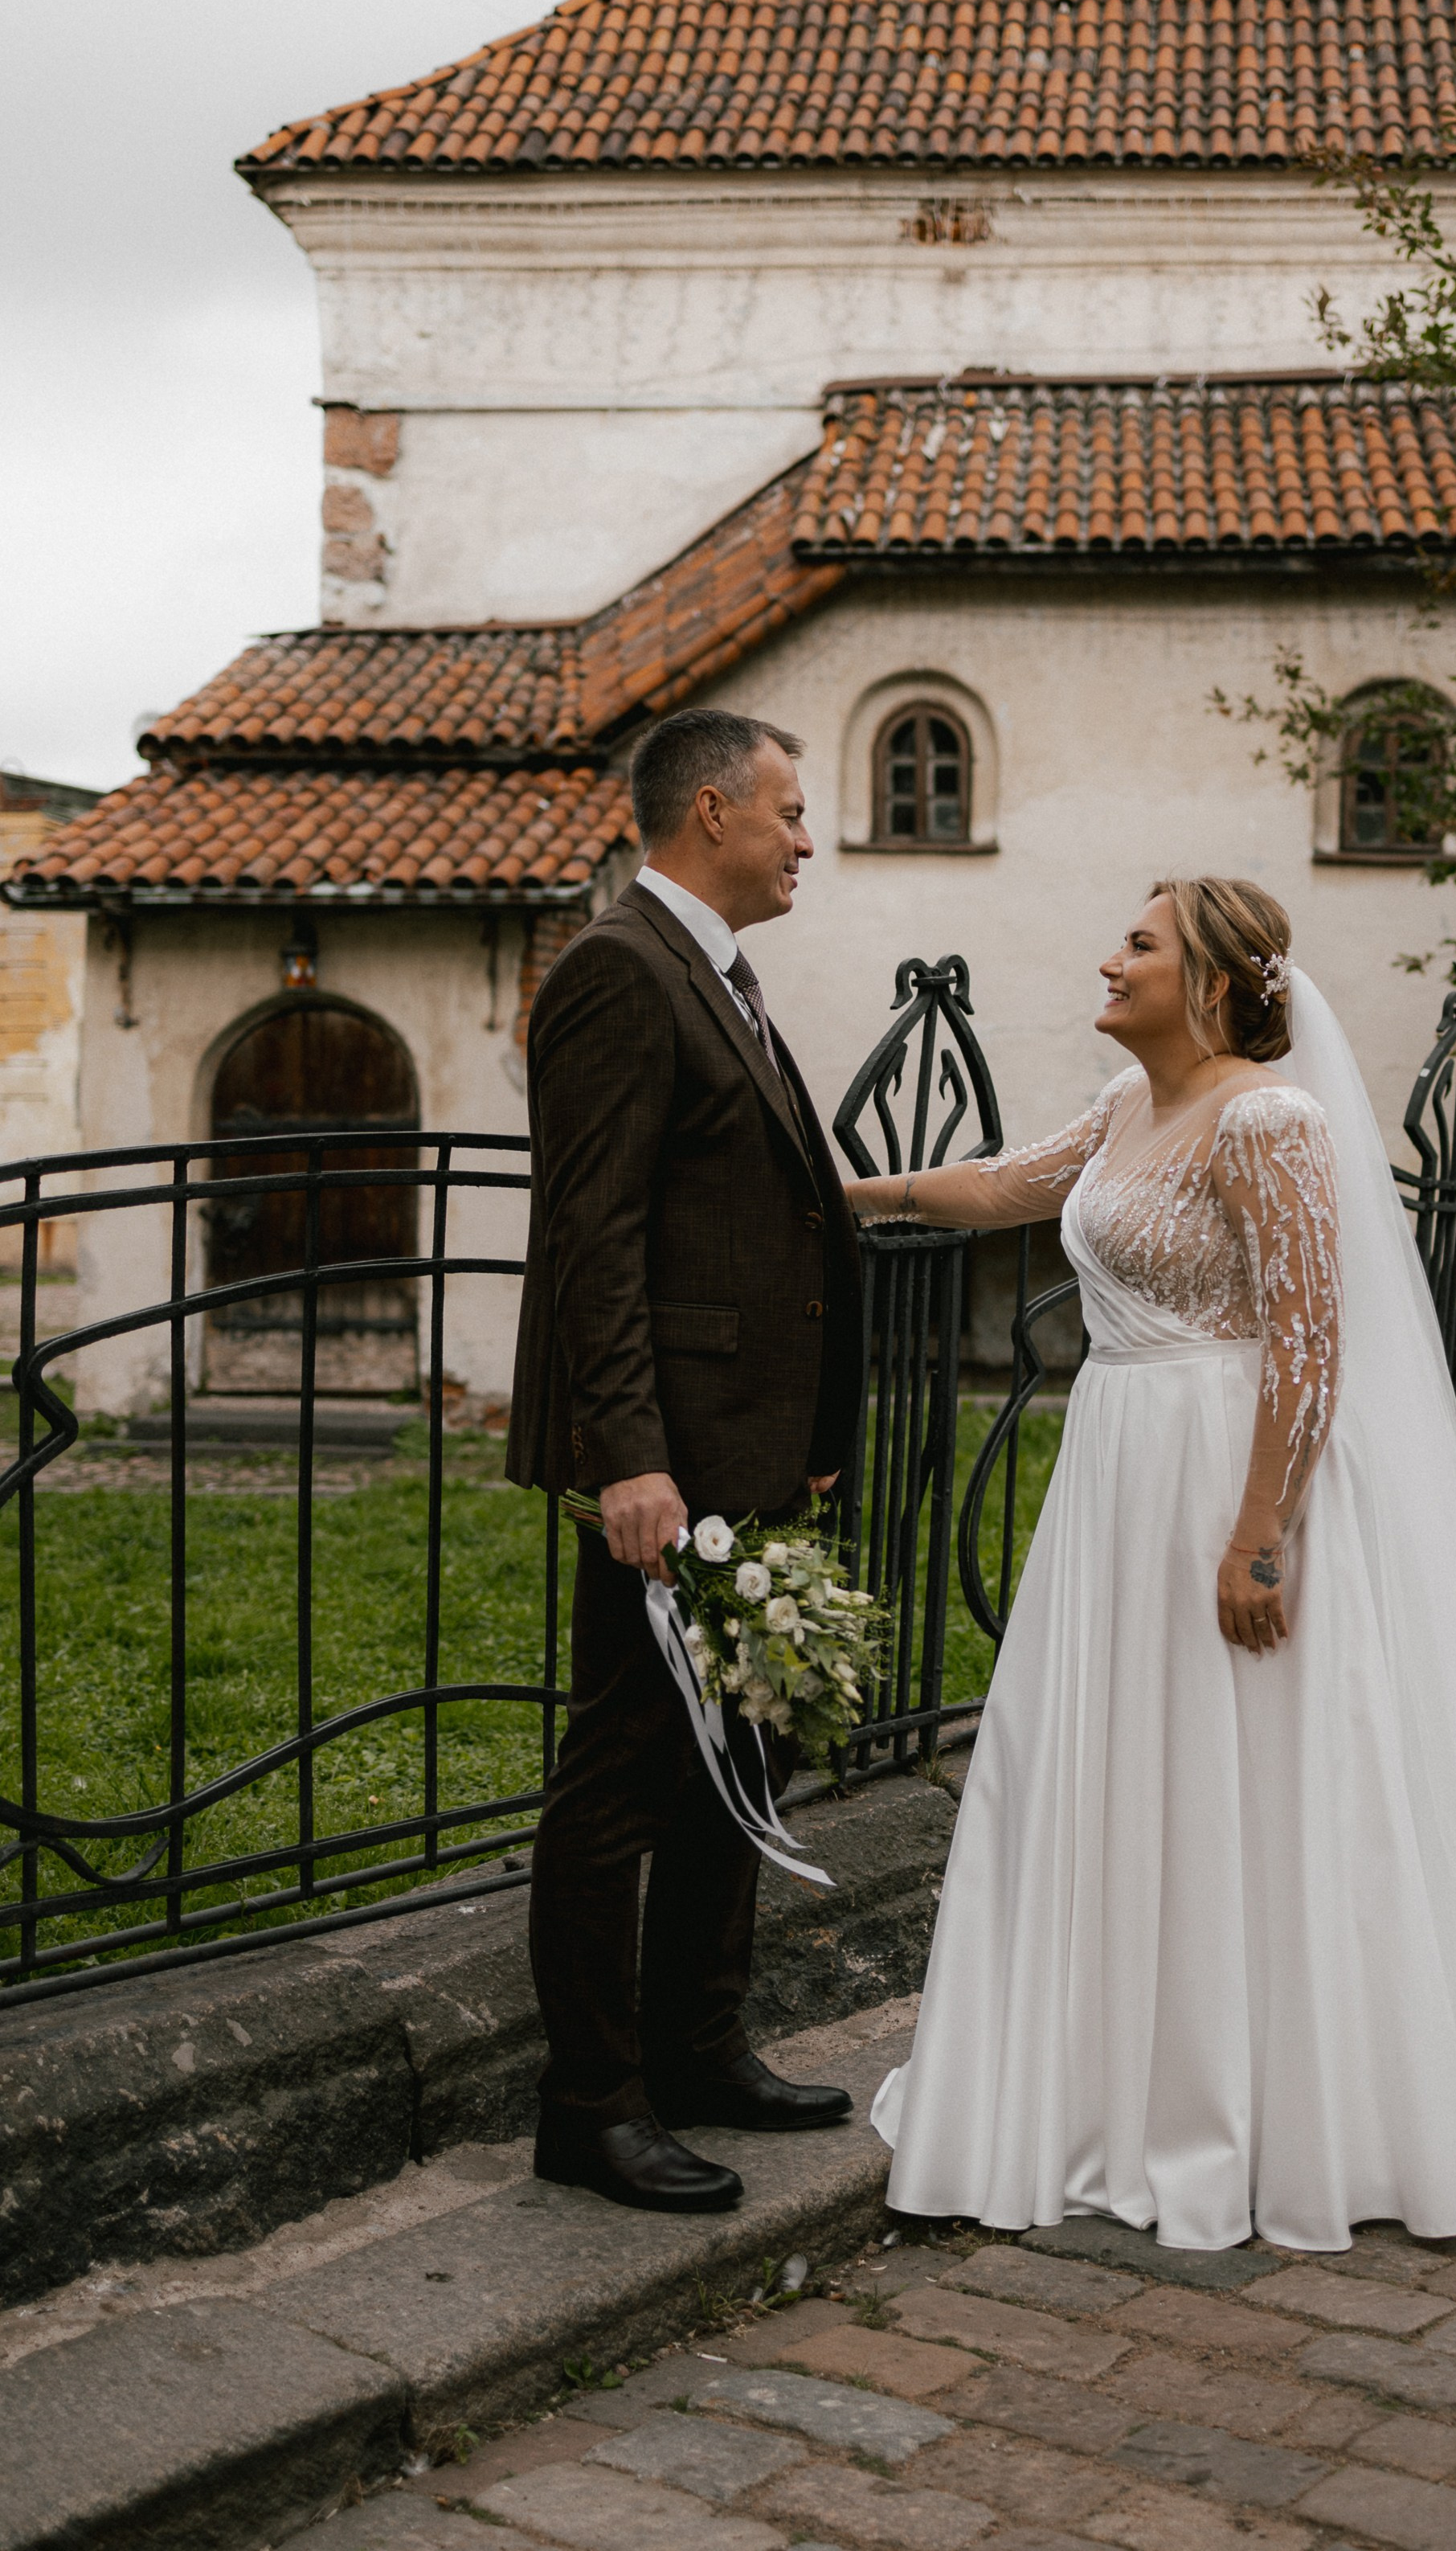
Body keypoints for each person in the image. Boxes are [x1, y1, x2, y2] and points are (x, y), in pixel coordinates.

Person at [853, 878, 1456, 2252]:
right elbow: (998, 1185)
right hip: (1117, 1471)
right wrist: (835, 1189)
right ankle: (1100, 2077)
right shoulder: (1123, 1111)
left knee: (1248, 1775)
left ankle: (1275, 2104)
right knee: (1110, 1766)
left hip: (1226, 1475)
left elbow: (1309, 1342)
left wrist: (1256, 1535)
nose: (1110, 959)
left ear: (1215, 984)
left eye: (1142, 946)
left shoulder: (1269, 1122)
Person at [507, 707, 863, 2213]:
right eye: (788, 811)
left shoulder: (722, 973)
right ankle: (590, 2106)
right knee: (626, 1777)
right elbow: (596, 1240)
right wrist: (630, 1461)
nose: (805, 839)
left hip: (756, 1451)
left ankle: (702, 2049)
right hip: (670, 1463)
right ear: (709, 812)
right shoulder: (615, 971)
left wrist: (814, 1440)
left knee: (744, 1761)